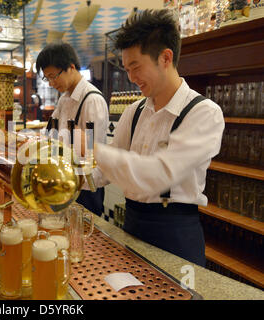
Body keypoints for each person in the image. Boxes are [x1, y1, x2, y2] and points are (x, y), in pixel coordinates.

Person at [80, 9, 224, 267]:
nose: (131, 77)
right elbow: (104, 172)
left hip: (177, 234)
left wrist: (96, 150)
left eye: (136, 67)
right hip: (132, 225)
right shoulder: (133, 112)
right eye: (126, 69)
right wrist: (69, 178)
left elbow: (160, 173)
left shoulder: (205, 113)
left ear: (165, 58)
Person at [36, 42, 109, 216]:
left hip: (85, 188)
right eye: (47, 78)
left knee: (86, 238)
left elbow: (94, 154)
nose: (52, 83)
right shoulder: (64, 99)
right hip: (65, 183)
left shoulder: (92, 100)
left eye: (54, 76)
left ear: (71, 67)